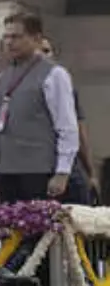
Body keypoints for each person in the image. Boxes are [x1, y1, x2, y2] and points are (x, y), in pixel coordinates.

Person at [0, 11, 79, 286]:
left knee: (40, 242)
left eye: (16, 36)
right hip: (8, 172)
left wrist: (62, 171)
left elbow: (67, 126)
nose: (9, 42)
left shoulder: (54, 74)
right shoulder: (3, 78)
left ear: (37, 39)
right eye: (6, 36)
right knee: (12, 240)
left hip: (39, 171)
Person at [40, 37, 97, 205]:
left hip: (66, 166)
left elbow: (79, 131)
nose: (43, 55)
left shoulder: (63, 85)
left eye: (47, 51)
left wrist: (91, 173)